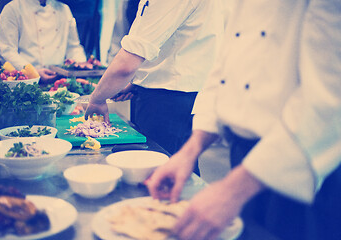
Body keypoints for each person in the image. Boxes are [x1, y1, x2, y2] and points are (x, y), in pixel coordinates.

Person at [146, 0, 341, 240]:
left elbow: (329, 97)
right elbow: (224, 68)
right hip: (243, 159)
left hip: (304, 161)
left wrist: (232, 191)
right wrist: (189, 151)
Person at [85, 0, 230, 174]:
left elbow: (126, 65)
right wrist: (141, 81)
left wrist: (97, 99)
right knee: (183, 173)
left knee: (157, 175)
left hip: (166, 103)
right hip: (190, 96)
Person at [0, 0, 86, 83]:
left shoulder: (65, 10)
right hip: (26, 82)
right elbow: (7, 51)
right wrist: (33, 73)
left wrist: (80, 63)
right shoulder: (12, 9)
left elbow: (73, 47)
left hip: (60, 82)